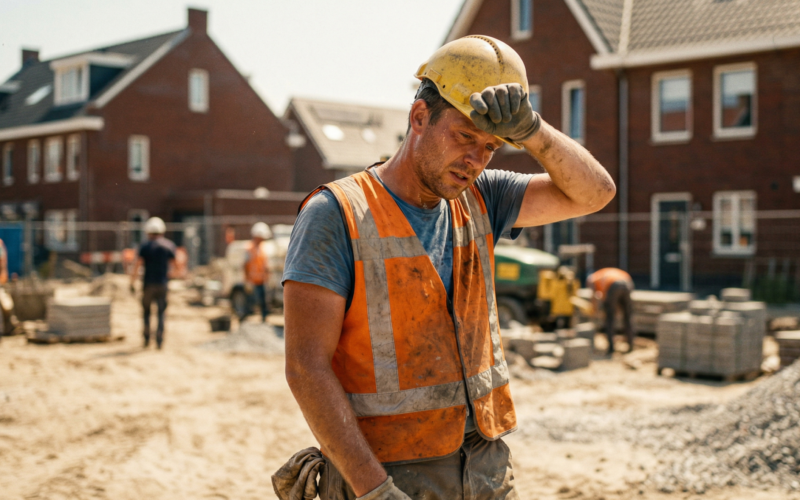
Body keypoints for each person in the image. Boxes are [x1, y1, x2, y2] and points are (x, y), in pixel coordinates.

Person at [278, 35, 616, 500]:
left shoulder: (484, 198)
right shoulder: (336, 213)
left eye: (491, 146)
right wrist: (374, 489)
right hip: (386, 473)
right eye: (463, 137)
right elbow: (306, 368)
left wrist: (533, 130)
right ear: (419, 117)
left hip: (483, 467)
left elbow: (595, 193)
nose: (475, 160)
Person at [130, 217, 176, 349]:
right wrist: (170, 275)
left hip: (148, 284)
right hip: (162, 284)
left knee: (146, 312)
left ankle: (146, 338)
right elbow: (176, 266)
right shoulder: (168, 246)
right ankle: (159, 339)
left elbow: (137, 265)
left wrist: (132, 282)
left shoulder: (144, 246)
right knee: (161, 312)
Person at [586, 267, 635, 354]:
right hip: (627, 283)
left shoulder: (593, 279)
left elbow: (595, 297)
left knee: (610, 318)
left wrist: (594, 310)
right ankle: (631, 345)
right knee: (627, 316)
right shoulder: (604, 273)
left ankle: (611, 348)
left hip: (613, 286)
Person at [245, 222, 271, 322]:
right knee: (251, 301)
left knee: (263, 300)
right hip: (252, 280)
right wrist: (247, 280)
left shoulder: (262, 248)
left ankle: (264, 317)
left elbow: (265, 264)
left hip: (261, 280)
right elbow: (245, 265)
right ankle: (247, 319)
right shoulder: (249, 248)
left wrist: (267, 276)